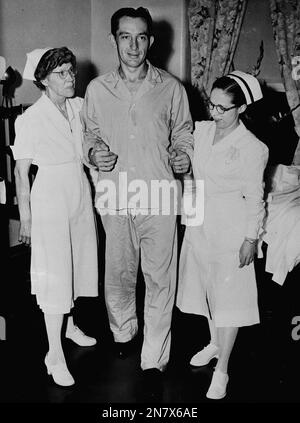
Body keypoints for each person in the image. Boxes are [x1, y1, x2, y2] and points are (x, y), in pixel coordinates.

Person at [81, 7, 194, 388]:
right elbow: (88, 134)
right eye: (125, 36)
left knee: (161, 278)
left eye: (141, 36)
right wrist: (93, 151)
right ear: (114, 39)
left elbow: (184, 133)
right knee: (118, 275)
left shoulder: (172, 88)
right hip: (115, 194)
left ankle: (154, 357)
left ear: (151, 41)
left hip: (159, 195)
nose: (133, 45)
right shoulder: (97, 90)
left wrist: (184, 154)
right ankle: (124, 332)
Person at [176, 71, 269, 400]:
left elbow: (256, 199)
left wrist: (250, 238)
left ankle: (223, 369)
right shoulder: (201, 131)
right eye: (211, 105)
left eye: (222, 108)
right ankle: (215, 343)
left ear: (240, 109)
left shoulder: (252, 148)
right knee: (207, 288)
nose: (213, 113)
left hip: (231, 226)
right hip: (200, 221)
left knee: (230, 298)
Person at [12, 47, 98, 387]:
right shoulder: (30, 119)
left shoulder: (78, 107)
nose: (70, 77)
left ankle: (70, 324)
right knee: (55, 273)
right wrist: (27, 219)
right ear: (44, 79)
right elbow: (21, 174)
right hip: (50, 196)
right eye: (62, 73)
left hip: (78, 189)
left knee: (75, 262)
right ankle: (54, 354)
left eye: (71, 71)